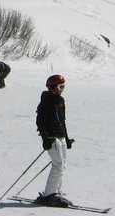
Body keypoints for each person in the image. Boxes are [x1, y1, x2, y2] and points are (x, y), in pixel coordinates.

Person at [35, 74, 73, 207]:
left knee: (62, 165)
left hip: (61, 137)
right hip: (51, 138)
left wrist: (67, 139)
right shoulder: (46, 101)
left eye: (64, 86)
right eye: (60, 86)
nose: (62, 89)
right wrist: (45, 139)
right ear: (52, 87)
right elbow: (39, 122)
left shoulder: (61, 100)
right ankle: (49, 195)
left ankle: (55, 192)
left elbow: (62, 121)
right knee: (58, 164)